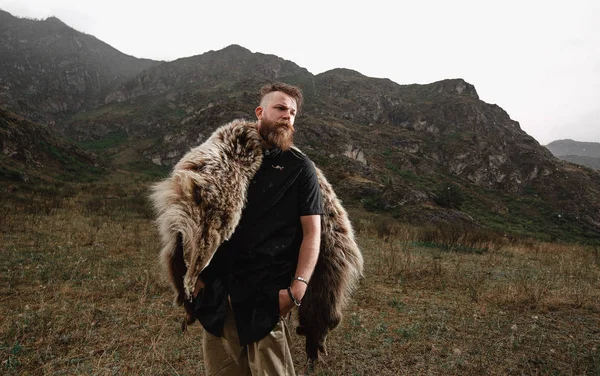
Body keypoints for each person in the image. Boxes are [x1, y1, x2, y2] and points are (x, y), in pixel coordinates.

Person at [192, 82, 323, 375]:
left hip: (267, 293)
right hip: (219, 292)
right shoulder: (225, 156)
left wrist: (297, 289)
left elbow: (313, 232)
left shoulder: (300, 167)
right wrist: (196, 274)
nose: (287, 116)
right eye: (280, 108)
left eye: (292, 112)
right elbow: (195, 214)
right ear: (260, 112)